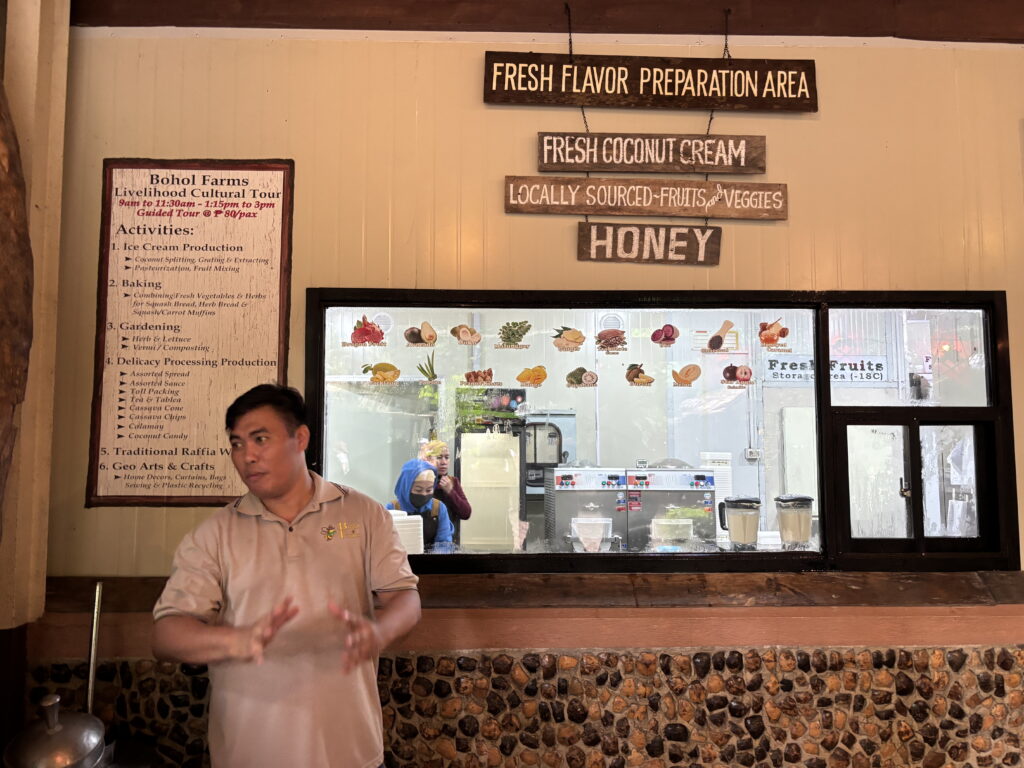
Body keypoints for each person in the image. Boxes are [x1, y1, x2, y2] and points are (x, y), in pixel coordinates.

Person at [152, 384, 421, 768]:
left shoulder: (363, 514)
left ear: (301, 438)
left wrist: (380, 632)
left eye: (260, 439)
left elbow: (405, 597)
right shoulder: (215, 534)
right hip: (249, 753)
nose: (247, 456)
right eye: (237, 444)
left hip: (351, 751)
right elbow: (166, 635)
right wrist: (236, 641)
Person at [386, 458, 454, 550]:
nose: (424, 494)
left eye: (429, 490)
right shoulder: (392, 508)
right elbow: (385, 542)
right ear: (406, 487)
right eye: (418, 490)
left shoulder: (438, 508)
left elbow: (444, 543)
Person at [419, 439, 472, 521]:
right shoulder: (419, 481)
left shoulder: (453, 481)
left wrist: (451, 492)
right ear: (428, 459)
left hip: (448, 529)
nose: (444, 462)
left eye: (447, 457)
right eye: (439, 457)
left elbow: (466, 513)